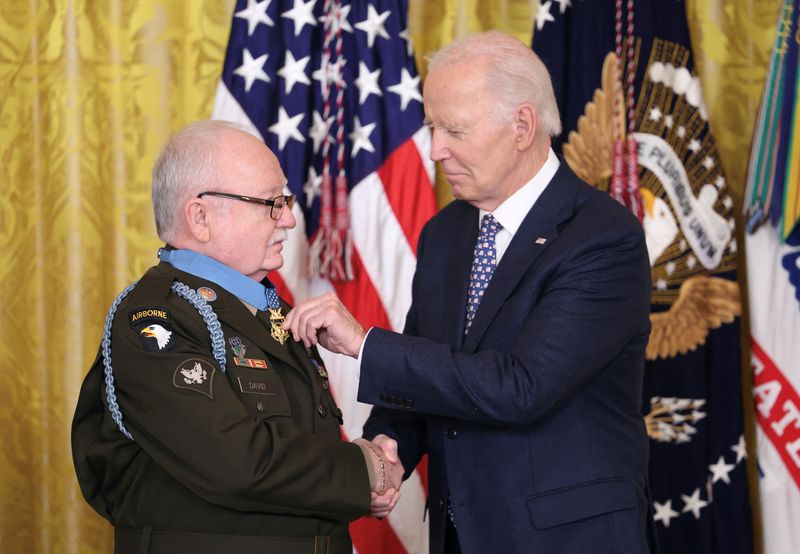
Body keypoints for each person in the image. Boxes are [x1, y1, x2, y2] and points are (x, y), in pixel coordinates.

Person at [283, 31, 654, 554]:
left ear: (522, 126)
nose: (436, 150)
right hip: (459, 534)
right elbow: (427, 372)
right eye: (433, 127)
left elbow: (521, 386)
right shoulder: (445, 232)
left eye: (454, 130)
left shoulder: (600, 237)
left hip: (569, 539)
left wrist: (366, 344)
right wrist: (388, 445)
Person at [71, 120, 402, 554]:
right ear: (200, 217)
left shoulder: (269, 311)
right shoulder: (153, 319)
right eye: (271, 202)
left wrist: (366, 474)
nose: (288, 217)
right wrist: (363, 469)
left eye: (285, 200)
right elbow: (235, 461)